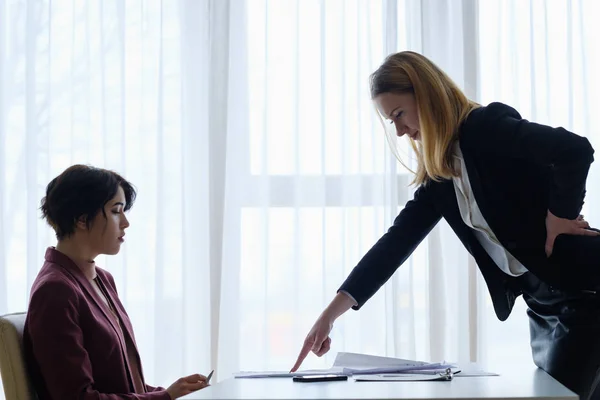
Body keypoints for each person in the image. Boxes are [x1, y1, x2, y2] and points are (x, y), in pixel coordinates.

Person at [290, 51, 600, 399]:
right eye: (391, 121)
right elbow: (395, 244)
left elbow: (574, 150)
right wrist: (329, 316)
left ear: (425, 93)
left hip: (584, 293)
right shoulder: (442, 176)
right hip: (542, 305)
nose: (400, 130)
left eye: (399, 114)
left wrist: (560, 215)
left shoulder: (485, 127)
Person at [24, 165, 208, 400]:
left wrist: (173, 391)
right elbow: (77, 397)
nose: (125, 223)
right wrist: (165, 397)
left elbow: (119, 384)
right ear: (81, 219)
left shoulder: (101, 279)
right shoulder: (55, 290)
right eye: (115, 211)